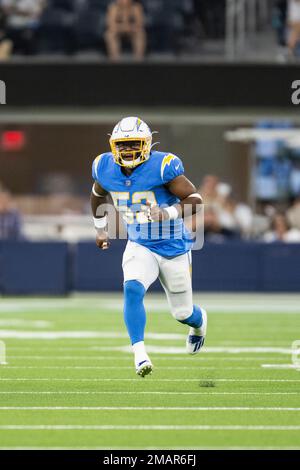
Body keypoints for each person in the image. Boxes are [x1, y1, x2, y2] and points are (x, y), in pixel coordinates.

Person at [90, 116, 207, 377]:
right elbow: (97, 194)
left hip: (174, 247)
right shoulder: (104, 166)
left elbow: (195, 199)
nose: (128, 150)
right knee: (132, 288)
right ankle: (140, 355)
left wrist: (167, 213)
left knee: (183, 313)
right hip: (139, 243)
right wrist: (100, 228)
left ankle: (199, 324)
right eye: (123, 145)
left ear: (146, 144)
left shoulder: (163, 166)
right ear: (113, 145)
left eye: (133, 144)